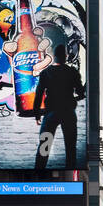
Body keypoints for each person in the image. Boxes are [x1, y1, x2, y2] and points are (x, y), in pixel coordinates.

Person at [32, 44, 85, 174]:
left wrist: (37, 115)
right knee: (70, 148)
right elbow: (80, 92)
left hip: (51, 113)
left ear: (54, 57)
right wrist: (84, 88)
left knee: (44, 145)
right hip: (68, 113)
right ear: (66, 57)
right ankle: (71, 174)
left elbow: (39, 94)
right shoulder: (72, 72)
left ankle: (38, 173)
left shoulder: (46, 73)